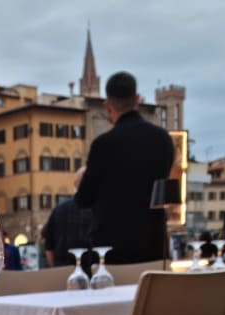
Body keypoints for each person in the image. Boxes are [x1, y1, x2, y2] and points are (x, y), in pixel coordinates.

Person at [75, 71, 175, 264]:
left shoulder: (103, 145)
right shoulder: (163, 139)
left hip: (111, 250)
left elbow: (84, 199)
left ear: (107, 106)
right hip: (153, 246)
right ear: (137, 99)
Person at [42, 167, 93, 275]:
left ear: (75, 184)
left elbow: (48, 247)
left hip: (63, 273)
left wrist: (57, 270)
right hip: (92, 273)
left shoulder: (59, 210)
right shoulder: (99, 210)